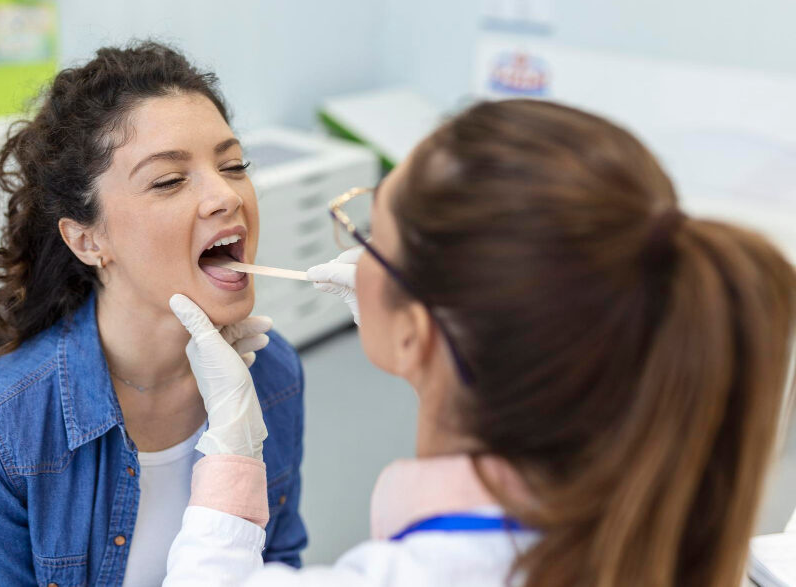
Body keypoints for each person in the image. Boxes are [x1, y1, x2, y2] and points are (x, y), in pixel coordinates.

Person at [162, 99, 796, 586]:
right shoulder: (662, 521)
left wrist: (232, 452)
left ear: (419, 331)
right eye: (167, 179)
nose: (223, 195)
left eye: (372, 235)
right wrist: (427, 348)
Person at [0, 42, 308, 587]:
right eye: (169, 180)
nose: (226, 195)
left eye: (233, 165)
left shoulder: (271, 377)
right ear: (87, 239)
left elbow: (280, 564)